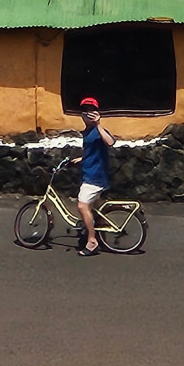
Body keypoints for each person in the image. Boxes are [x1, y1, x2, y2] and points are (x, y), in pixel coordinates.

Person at [72, 96, 115, 256]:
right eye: (85, 111)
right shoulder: (87, 133)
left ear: (97, 113)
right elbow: (94, 152)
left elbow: (110, 142)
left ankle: (92, 241)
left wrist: (98, 124)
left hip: (95, 177)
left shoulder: (97, 131)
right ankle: (99, 232)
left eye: (92, 111)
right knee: (92, 209)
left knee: (82, 206)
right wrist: (82, 159)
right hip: (89, 174)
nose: (88, 114)